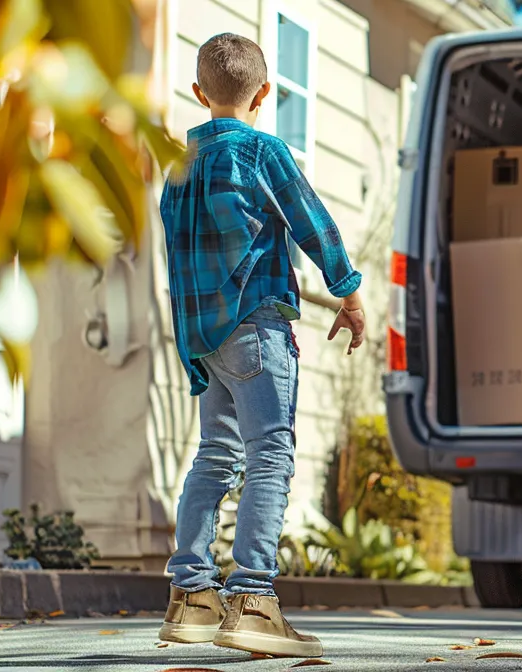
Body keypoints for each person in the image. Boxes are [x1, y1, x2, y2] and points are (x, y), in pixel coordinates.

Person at [155, 33, 366, 658]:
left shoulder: (179, 168)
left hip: (204, 338)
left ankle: (191, 597)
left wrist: (191, 344)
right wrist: (348, 291)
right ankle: (252, 599)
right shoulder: (261, 152)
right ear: (265, 93)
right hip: (254, 325)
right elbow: (309, 218)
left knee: (214, 457)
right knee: (270, 455)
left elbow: (176, 256)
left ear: (199, 94)